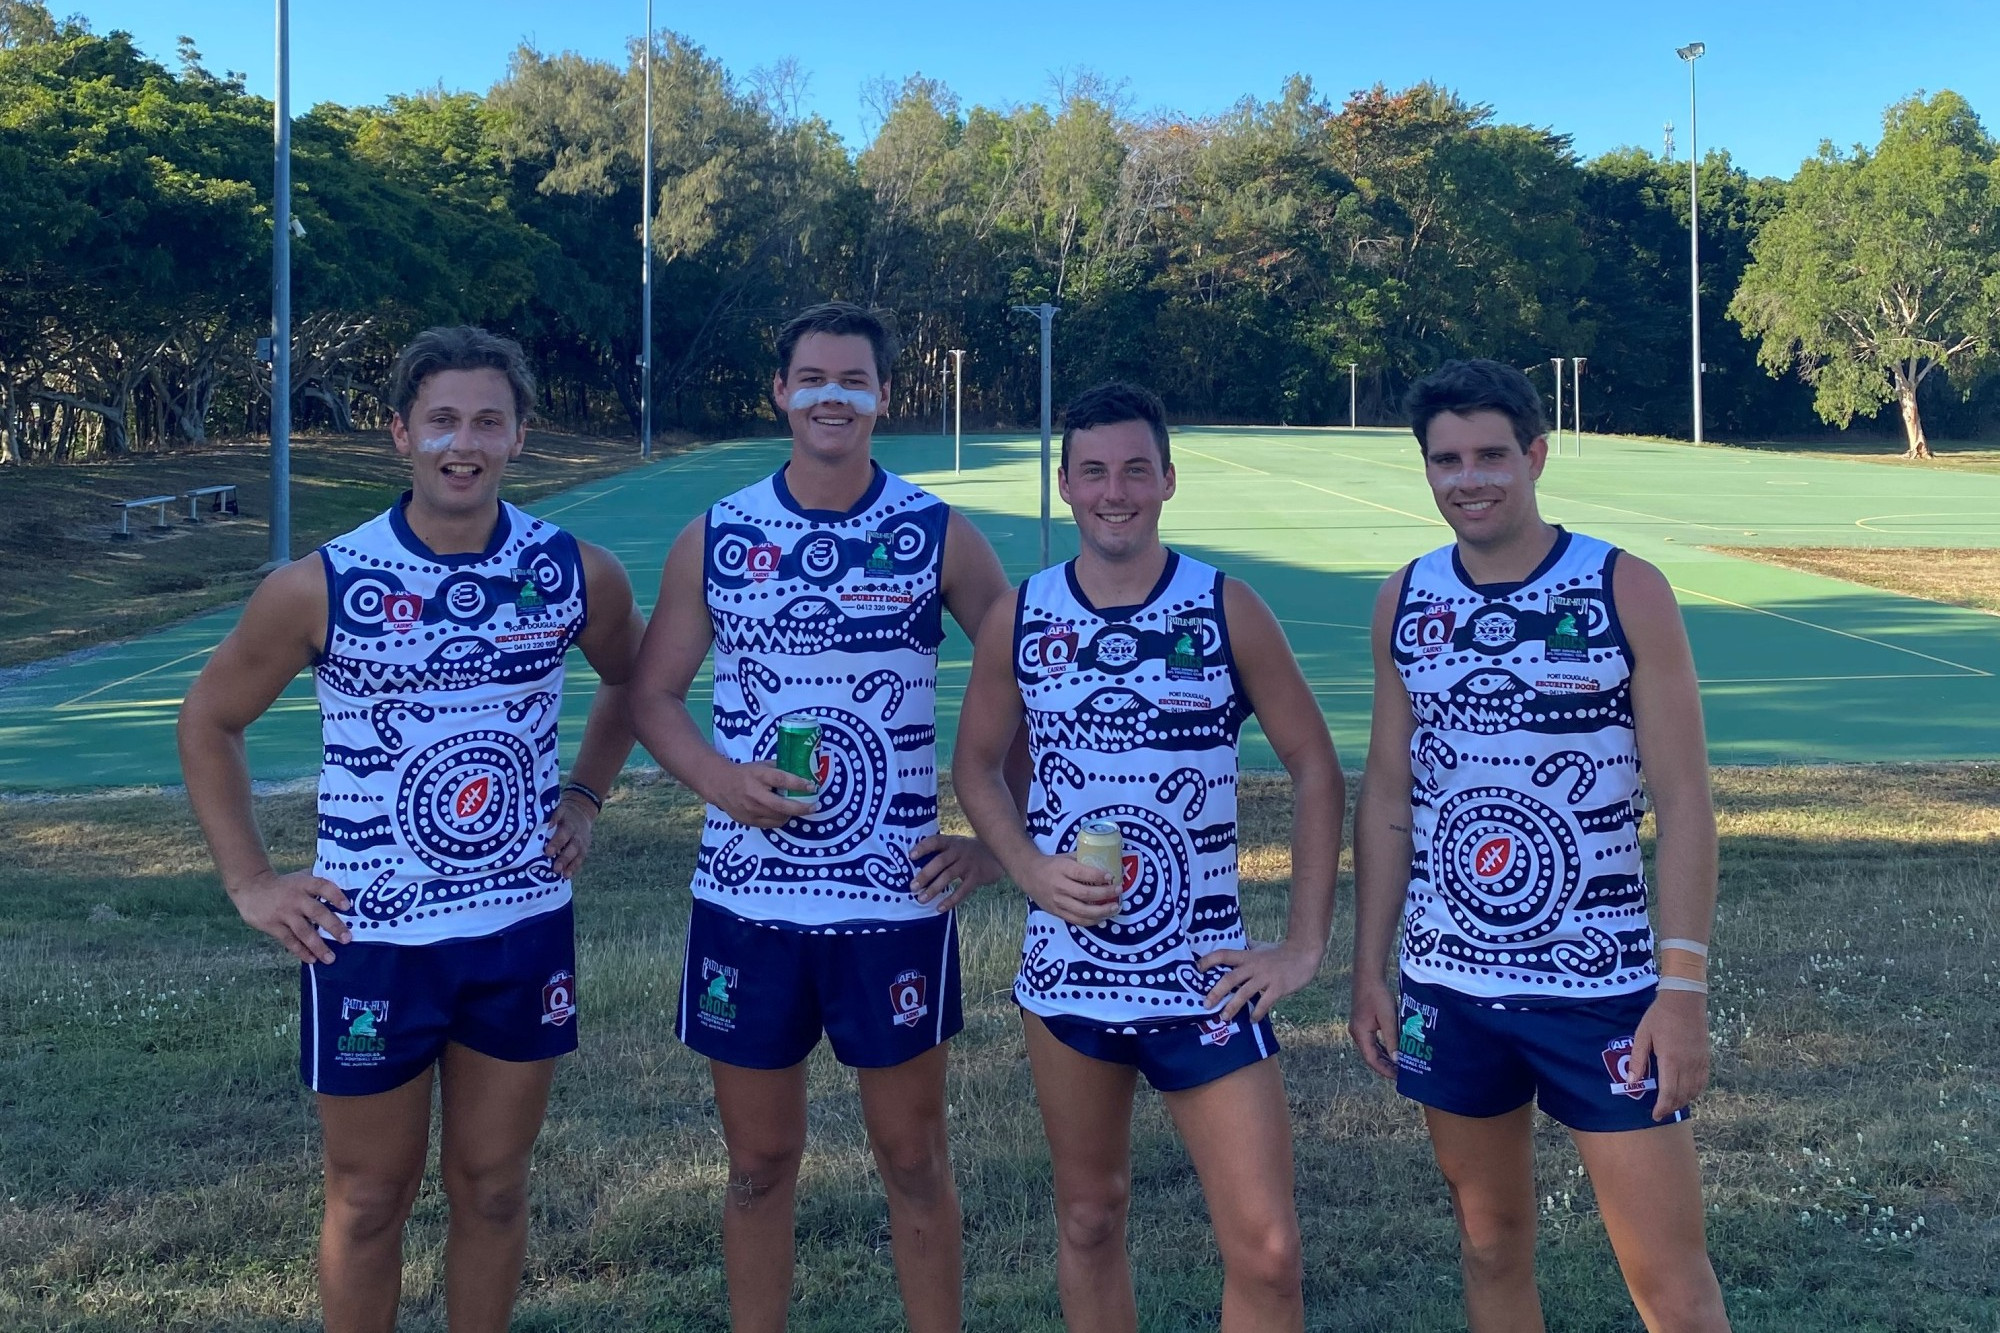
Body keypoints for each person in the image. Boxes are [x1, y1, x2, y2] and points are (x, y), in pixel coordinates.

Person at [177, 326, 643, 1333]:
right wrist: (251, 879)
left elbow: (633, 685)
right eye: (441, 420)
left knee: (492, 1188)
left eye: (486, 420)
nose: (461, 443)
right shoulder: (321, 583)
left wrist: (584, 796)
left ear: (519, 435)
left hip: (519, 930)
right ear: (400, 434)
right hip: (371, 941)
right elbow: (208, 720)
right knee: (368, 1196)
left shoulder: (573, 572)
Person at [629, 301, 1022, 1333]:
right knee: (757, 1166)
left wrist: (1000, 842)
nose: (831, 396)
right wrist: (716, 778)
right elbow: (653, 695)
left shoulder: (934, 531)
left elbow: (1028, 674)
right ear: (779, 392)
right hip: (745, 907)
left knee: (910, 1158)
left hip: (891, 905)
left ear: (884, 397)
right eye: (811, 377)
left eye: (852, 379)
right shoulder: (716, 535)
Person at [1347, 358, 1730, 1332]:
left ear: (1534, 456)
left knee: (1669, 1284)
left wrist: (1679, 990)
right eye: (1444, 459)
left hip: (1599, 990)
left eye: (1488, 455)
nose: (1466, 478)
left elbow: (1683, 800)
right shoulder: (1404, 597)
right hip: (1448, 988)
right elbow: (1388, 794)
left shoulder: (1620, 587)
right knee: (1488, 1243)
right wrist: (1368, 969)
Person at [953, 382, 1342, 1333]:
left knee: (1270, 1249)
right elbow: (973, 766)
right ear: (1066, 485)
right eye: (1093, 471)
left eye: (1135, 469)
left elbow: (1316, 766)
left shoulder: (1224, 607)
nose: (1114, 490)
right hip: (1070, 976)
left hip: (1202, 978)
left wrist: (1299, 947)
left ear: (1168, 479)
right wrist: (1028, 867)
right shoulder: (1022, 614)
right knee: (1090, 1216)